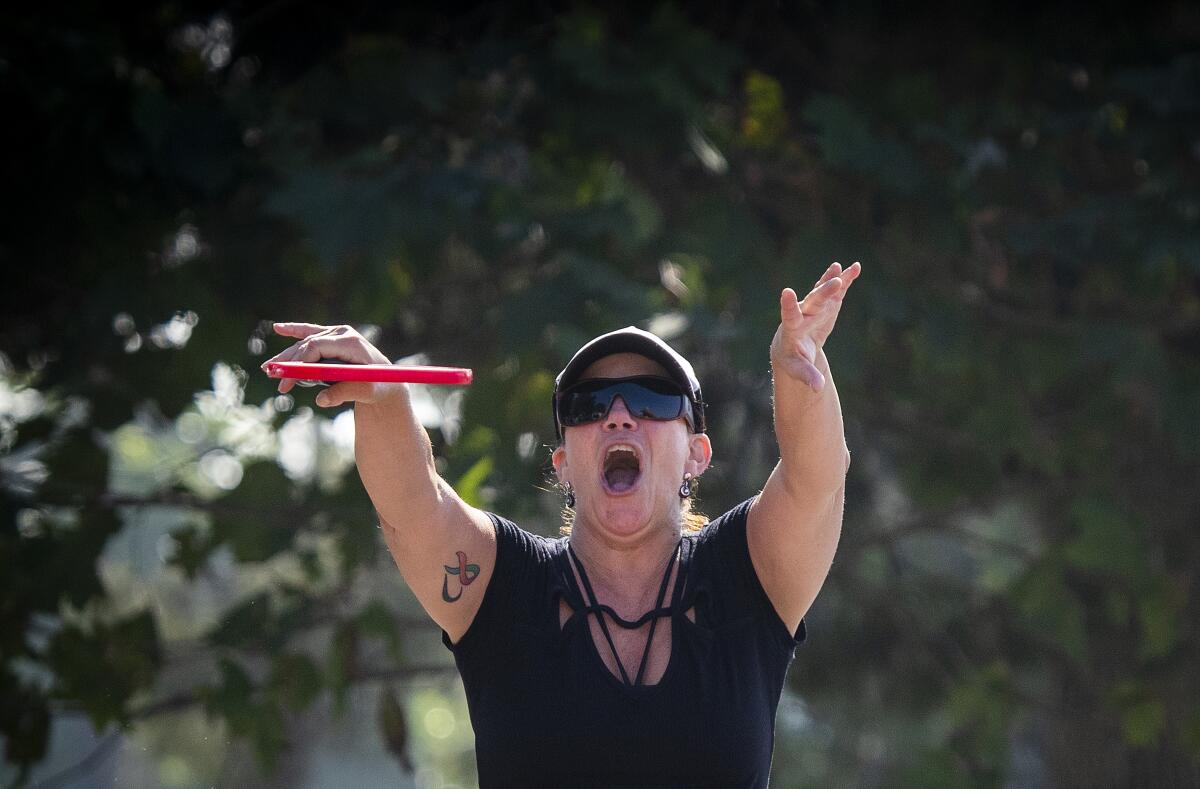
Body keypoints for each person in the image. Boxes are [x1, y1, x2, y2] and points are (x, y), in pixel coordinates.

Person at [263, 261, 861, 788]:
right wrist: (385, 400)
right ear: (562, 464)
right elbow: (414, 504)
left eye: (652, 400)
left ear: (697, 454)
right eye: (589, 405)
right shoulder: (503, 586)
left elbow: (816, 481)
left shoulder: (747, 575)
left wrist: (798, 366)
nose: (619, 416)